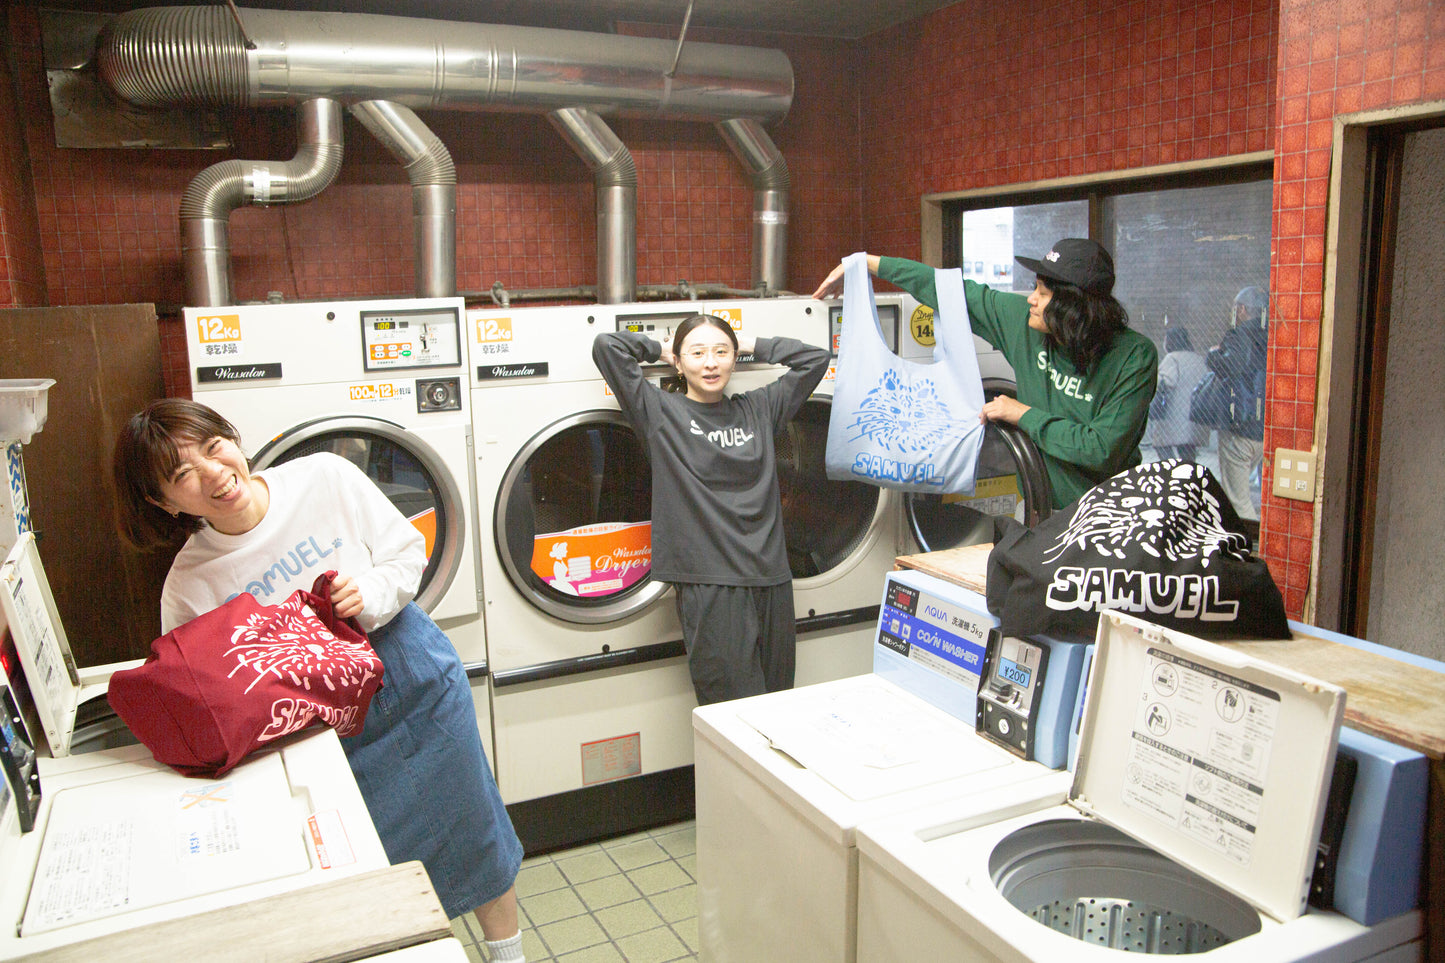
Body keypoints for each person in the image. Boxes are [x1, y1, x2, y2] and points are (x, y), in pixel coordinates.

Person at [112, 400, 527, 963]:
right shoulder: (189, 585)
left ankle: (510, 956)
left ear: (232, 440)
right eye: (182, 474)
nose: (213, 474)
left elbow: (406, 552)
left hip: (411, 676)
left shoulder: (324, 478)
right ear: (163, 502)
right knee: (373, 866)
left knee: (473, 826)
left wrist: (371, 592)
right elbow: (201, 699)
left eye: (213, 448)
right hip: (319, 737)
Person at [812, 239, 1158, 510]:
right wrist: (865, 264)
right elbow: (948, 291)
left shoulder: (1134, 356)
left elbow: (1101, 449)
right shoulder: (1025, 326)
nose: (1030, 300)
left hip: (1107, 517)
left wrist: (1023, 414)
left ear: (1074, 307)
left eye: (1043, 292)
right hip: (1040, 509)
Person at [592, 315, 828, 705]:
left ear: (735, 359)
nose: (711, 363)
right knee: (732, 712)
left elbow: (815, 359)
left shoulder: (760, 408)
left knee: (779, 704)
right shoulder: (660, 413)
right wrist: (659, 347)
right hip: (710, 582)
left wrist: (749, 340)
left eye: (721, 352)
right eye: (698, 353)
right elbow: (607, 346)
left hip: (770, 577)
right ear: (680, 363)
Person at [1207, 286, 1269, 526]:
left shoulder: (1239, 334)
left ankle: (1250, 550)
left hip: (1239, 426)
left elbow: (1231, 367)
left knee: (1237, 500)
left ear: (1242, 309)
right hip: (1263, 427)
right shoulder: (1270, 336)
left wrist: (1213, 355)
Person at [1150, 325, 1209, 462]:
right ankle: (1187, 475)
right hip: (1195, 414)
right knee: (1187, 448)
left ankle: (1171, 471)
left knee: (1161, 445)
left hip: (1173, 415)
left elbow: (1167, 381)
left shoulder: (1172, 358)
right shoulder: (1198, 359)